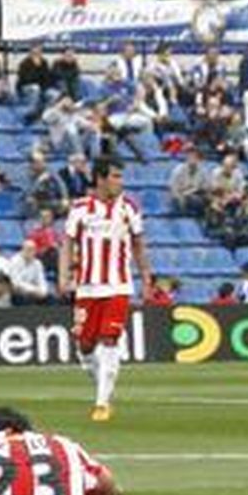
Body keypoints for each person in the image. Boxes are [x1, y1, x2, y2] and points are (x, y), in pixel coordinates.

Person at [61, 158, 151, 421]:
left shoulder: (128, 208)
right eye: (115, 176)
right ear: (100, 179)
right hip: (87, 287)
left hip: (117, 285)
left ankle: (102, 403)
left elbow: (138, 244)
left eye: (120, 176)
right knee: (85, 346)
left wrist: (146, 277)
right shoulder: (80, 209)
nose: (119, 182)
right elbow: (67, 244)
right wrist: (64, 275)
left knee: (109, 339)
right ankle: (102, 385)